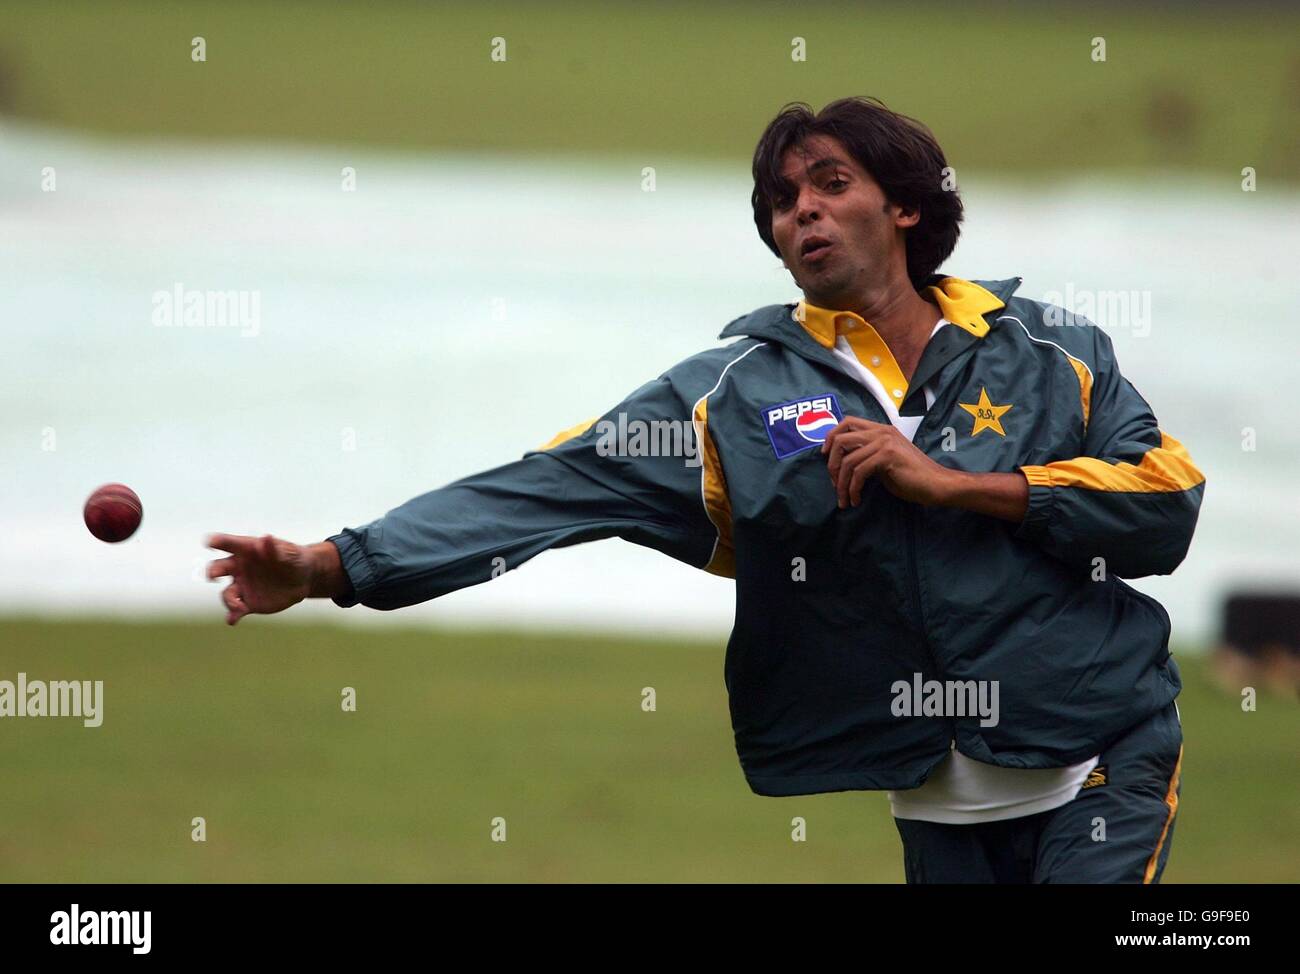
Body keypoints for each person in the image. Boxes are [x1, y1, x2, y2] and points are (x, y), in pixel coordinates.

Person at [207, 96, 1204, 883]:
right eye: (780, 200)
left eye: (829, 181)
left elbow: (1163, 499)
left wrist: (957, 485)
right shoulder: (729, 395)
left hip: (1102, 750)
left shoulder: (1049, 348)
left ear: (903, 203)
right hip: (931, 800)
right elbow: (543, 489)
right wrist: (335, 564)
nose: (800, 208)